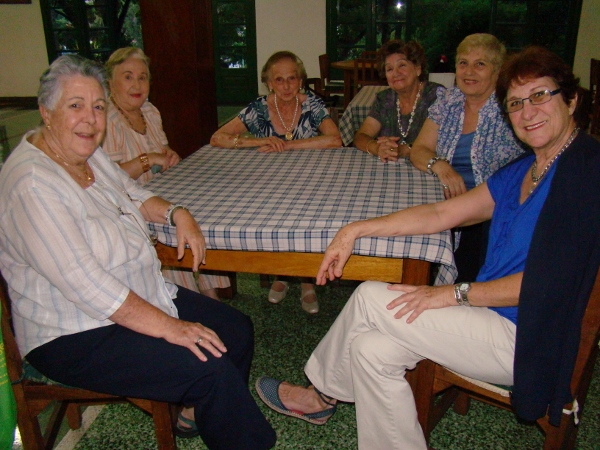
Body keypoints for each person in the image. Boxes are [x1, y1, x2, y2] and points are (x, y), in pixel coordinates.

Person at [255, 46, 600, 449]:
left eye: (541, 96)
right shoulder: (528, 168)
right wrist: (356, 230)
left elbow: (550, 284)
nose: (528, 112)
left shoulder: (584, 171)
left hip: (531, 336)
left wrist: (451, 294)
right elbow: (441, 214)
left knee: (369, 296)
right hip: (491, 314)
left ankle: (321, 395)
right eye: (516, 103)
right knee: (370, 351)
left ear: (572, 99)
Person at [0, 54, 276, 450]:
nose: (91, 119)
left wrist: (178, 213)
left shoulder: (85, 151)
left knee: (236, 331)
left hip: (136, 291)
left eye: (97, 107)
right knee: (208, 365)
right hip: (73, 332)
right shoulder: (33, 185)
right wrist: (173, 329)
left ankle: (195, 415)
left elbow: (133, 192)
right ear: (46, 112)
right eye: (75, 106)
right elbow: (89, 287)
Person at [211, 51, 343, 313]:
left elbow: (335, 139)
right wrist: (258, 141)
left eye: (292, 78)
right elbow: (217, 138)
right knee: (271, 220)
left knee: (306, 220)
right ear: (269, 82)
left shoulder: (312, 104)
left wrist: (289, 145)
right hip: (266, 185)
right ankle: (280, 273)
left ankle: (307, 281)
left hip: (308, 182)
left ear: (300, 80)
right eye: (279, 80)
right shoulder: (258, 108)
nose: (286, 86)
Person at [103, 47, 230, 300]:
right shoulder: (108, 120)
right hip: (130, 207)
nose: (136, 84)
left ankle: (211, 298)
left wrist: (169, 155)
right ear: (110, 83)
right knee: (176, 229)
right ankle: (186, 301)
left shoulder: (150, 112)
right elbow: (108, 177)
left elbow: (163, 150)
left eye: (143, 77)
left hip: (163, 191)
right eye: (128, 76)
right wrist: (148, 160)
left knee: (201, 215)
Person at [410, 34, 525, 282]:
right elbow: (419, 149)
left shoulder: (512, 108)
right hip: (444, 198)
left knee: (470, 269)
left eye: (480, 64)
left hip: (491, 211)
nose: (469, 71)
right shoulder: (448, 101)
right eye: (463, 63)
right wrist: (441, 166)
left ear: (498, 70)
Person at [353, 40, 444, 162]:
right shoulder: (384, 99)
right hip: (388, 171)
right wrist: (377, 147)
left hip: (427, 169)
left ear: (417, 68)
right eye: (389, 69)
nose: (395, 73)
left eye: (402, 65)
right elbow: (360, 136)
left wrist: (403, 150)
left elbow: (442, 142)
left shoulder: (437, 96)